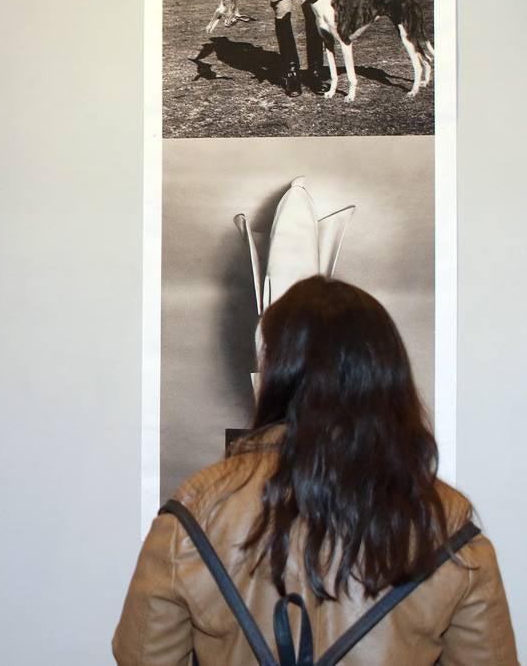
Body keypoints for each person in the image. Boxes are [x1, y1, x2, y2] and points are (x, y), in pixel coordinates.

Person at [113, 277, 519, 665]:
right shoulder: (449, 528)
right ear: (387, 378)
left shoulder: (197, 511)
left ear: (275, 374)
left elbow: (144, 656)